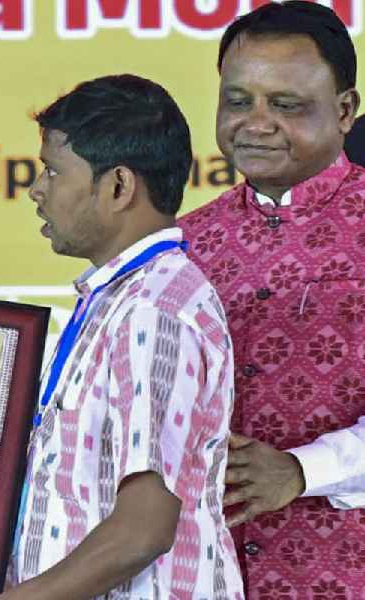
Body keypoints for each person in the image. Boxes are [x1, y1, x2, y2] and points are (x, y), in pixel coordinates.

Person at [0, 75, 243, 600]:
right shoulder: (121, 298)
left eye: (52, 172)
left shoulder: (154, 310)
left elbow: (143, 528)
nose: (37, 190)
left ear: (117, 186)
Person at [178, 3, 365, 598]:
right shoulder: (180, 244)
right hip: (204, 575)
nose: (255, 123)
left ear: (344, 111)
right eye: (238, 101)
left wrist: (305, 470)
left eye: (285, 105)